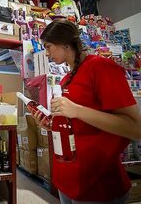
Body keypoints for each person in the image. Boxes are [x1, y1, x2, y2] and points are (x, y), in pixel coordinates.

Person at [34, 19, 141, 204]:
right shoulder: (66, 79)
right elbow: (78, 125)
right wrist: (51, 125)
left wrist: (77, 110)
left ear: (65, 44)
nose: (46, 53)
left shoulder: (100, 67)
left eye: (49, 46)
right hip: (69, 178)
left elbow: (135, 128)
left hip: (97, 182)